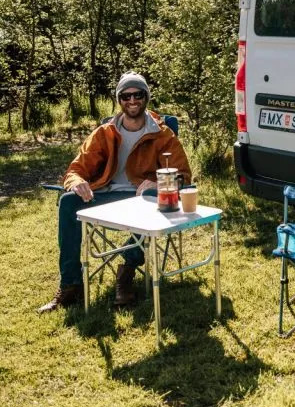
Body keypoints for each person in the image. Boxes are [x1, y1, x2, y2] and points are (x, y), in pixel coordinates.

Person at [38, 72, 191, 313]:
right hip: (106, 197)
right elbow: (75, 169)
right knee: (68, 201)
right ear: (119, 99)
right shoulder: (104, 132)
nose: (132, 100)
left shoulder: (162, 135)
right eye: (125, 96)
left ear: (146, 97)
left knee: (153, 201)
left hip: (142, 200)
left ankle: (127, 272)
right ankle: (71, 285)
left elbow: (183, 175)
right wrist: (77, 182)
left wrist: (157, 184)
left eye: (138, 94)